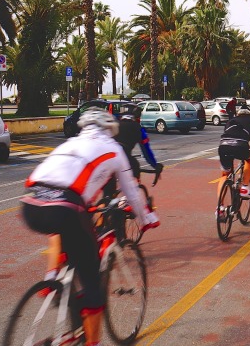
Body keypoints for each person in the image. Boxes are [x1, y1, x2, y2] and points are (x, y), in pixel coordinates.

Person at [20, 108, 160, 346]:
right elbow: (132, 192)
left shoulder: (70, 143)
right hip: (65, 209)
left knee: (72, 246)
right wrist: (147, 219)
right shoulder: (114, 149)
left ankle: (55, 280)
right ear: (111, 130)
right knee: (92, 282)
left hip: (30, 205)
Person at [217, 106, 250, 212]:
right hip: (240, 146)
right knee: (249, 159)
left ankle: (220, 208)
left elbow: (227, 136)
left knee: (225, 175)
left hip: (223, 146)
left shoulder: (231, 121)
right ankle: (244, 187)